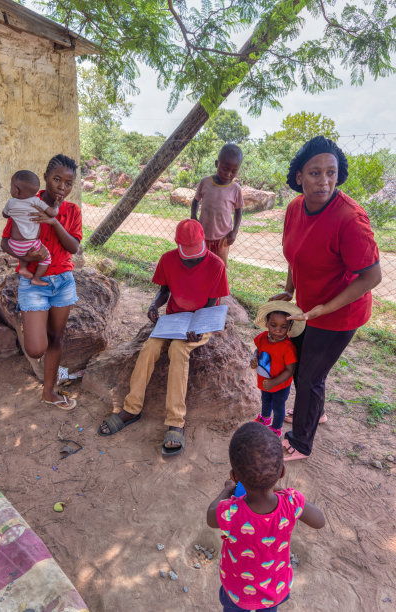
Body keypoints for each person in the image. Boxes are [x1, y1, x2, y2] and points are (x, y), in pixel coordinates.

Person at [269, 135, 382, 461]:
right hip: (308, 308)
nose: (324, 181)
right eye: (315, 173)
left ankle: (301, 443)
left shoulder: (350, 220)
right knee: (303, 365)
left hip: (340, 313)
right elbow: (296, 255)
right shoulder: (294, 208)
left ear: (339, 174)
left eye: (331, 172)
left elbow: (371, 277)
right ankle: (314, 413)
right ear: (299, 176)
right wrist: (290, 290)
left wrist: (324, 308)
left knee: (309, 376)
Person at [98, 219, 230, 455]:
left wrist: (199, 328)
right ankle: (132, 408)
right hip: (173, 319)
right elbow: (164, 290)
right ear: (177, 243)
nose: (191, 256)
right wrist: (153, 305)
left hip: (199, 321)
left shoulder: (216, 264)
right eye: (186, 250)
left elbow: (212, 305)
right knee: (149, 348)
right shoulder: (168, 259)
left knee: (179, 350)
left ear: (204, 241)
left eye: (196, 250)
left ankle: (176, 422)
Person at [207, 422, 325, 612]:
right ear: (282, 472)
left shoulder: (231, 512)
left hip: (237, 592)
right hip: (274, 589)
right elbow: (320, 521)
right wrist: (286, 493)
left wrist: (227, 490)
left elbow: (210, 517)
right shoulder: (291, 503)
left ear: (234, 477)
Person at [1, 154, 82, 411]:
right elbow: (6, 242)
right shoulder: (26, 203)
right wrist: (24, 255)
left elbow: (74, 247)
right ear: (45, 177)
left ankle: (49, 392)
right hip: (34, 283)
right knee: (37, 348)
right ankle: (31, 320)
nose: (62, 186)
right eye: (56, 179)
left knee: (56, 337)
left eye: (68, 183)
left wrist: (54, 221)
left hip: (63, 282)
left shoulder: (72, 211)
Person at [250, 302, 305, 437]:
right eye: (273, 325)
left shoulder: (287, 347)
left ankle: (276, 428)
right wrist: (254, 358)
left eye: (283, 327)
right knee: (265, 400)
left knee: (278, 406)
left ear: (289, 327)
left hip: (280, 385)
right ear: (267, 323)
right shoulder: (263, 337)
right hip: (265, 379)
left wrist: (274, 383)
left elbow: (290, 370)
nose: (278, 330)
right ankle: (265, 418)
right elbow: (258, 350)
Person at [191, 143, 244, 266]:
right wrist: (193, 216)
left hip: (223, 238)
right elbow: (195, 200)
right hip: (202, 235)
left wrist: (235, 231)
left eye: (234, 171)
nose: (228, 174)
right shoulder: (205, 182)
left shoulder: (235, 188)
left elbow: (238, 211)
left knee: (220, 266)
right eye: (225, 169)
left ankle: (218, 285)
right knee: (201, 265)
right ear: (217, 164)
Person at [2, 170, 59, 286]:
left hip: (14, 245)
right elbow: (52, 213)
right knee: (46, 258)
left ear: (16, 190)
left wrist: (14, 212)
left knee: (25, 248)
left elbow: (5, 215)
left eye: (11, 186)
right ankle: (36, 278)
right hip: (31, 244)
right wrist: (57, 204)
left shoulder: (11, 202)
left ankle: (23, 267)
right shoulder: (36, 201)